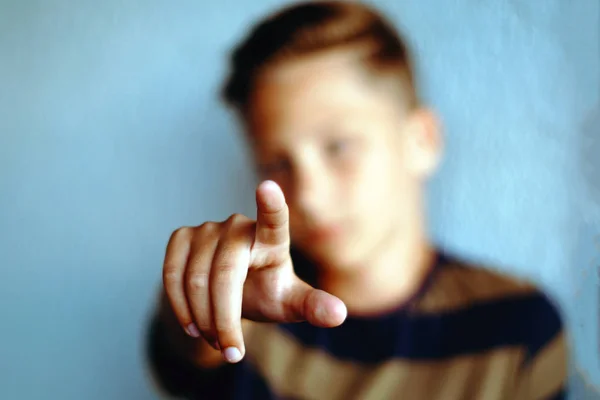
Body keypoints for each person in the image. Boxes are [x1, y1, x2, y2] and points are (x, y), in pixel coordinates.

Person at [146, 1, 568, 399]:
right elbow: (183, 366)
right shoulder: (254, 309)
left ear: (422, 140)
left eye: (338, 147)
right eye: (276, 162)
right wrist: (197, 308)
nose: (308, 196)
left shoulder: (519, 328)